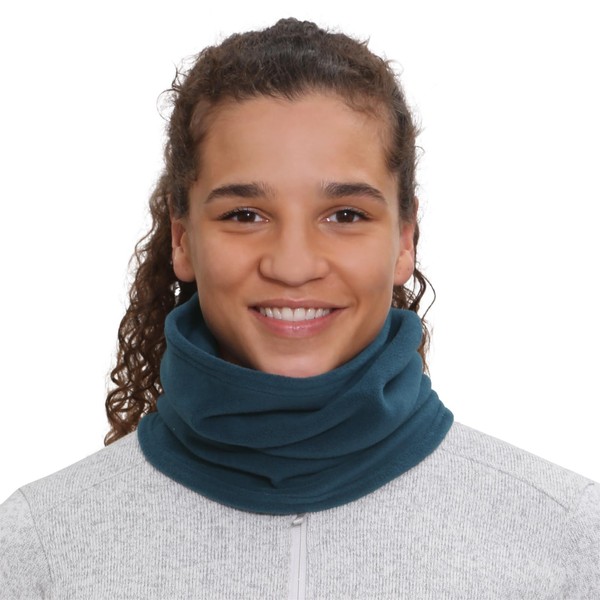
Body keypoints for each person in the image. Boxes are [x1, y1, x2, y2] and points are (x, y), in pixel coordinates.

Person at [1, 18, 598, 598]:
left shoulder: (566, 539)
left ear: (405, 240)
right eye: (245, 215)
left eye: (345, 215)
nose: (292, 265)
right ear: (182, 240)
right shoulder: (38, 546)